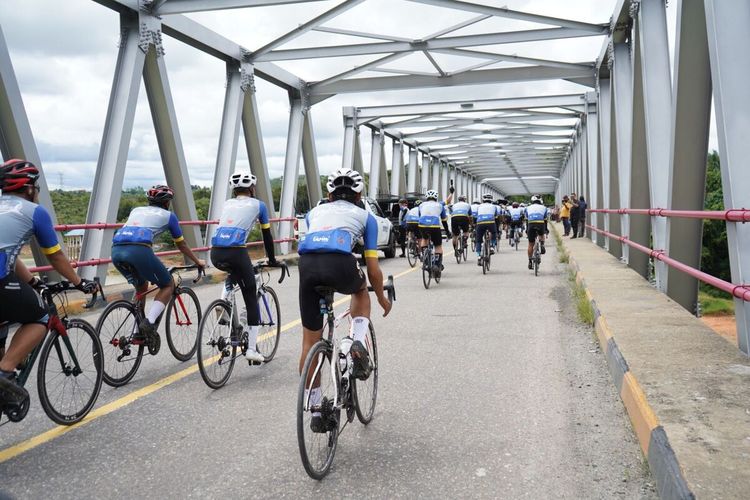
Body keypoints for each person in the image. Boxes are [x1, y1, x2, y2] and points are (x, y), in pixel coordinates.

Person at [297, 167, 391, 433]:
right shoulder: (366, 216)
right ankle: (356, 341)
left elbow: (316, 241)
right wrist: (382, 298)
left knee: (309, 342)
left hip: (307, 267)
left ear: (328, 194)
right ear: (359, 193)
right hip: (340, 263)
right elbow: (373, 268)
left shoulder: (312, 213)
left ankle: (315, 408)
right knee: (360, 290)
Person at [0, 159, 97, 407]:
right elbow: (55, 255)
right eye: (37, 187)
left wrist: (33, 282)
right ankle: (5, 372)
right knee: (40, 319)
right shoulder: (34, 212)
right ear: (30, 189)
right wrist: (79, 283)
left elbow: (8, 257)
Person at [111, 184, 205, 353]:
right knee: (167, 284)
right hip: (138, 250)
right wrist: (197, 261)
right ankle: (148, 322)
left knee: (141, 287)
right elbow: (181, 244)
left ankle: (136, 333)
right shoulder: (169, 216)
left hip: (116, 251)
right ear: (167, 203)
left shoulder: (136, 210)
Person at [210, 172, 278, 363]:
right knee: (250, 295)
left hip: (215, 253)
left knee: (233, 274)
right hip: (236, 252)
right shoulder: (259, 205)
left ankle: (223, 300)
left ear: (234, 190)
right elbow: (267, 235)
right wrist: (272, 259)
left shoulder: (226, 204)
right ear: (251, 189)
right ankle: (251, 350)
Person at [418, 189, 451, 271]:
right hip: (434, 226)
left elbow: (420, 216)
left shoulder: (421, 205)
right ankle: (436, 264)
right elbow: (444, 220)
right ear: (436, 197)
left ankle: (425, 260)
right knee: (438, 245)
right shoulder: (440, 205)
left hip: (422, 225)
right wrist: (447, 231)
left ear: (426, 197)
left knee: (424, 239)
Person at [474, 193, 500, 265]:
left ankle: (479, 256)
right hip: (490, 222)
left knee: (478, 240)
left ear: (483, 199)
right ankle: (492, 246)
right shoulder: (494, 206)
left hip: (480, 223)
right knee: (494, 232)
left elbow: (476, 215)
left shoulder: (479, 206)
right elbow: (496, 216)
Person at [524, 196, 549, 269]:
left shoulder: (527, 208)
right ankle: (542, 244)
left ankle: (530, 261)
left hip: (531, 224)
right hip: (540, 223)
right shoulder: (544, 208)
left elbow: (526, 220)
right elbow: (545, 220)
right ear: (540, 202)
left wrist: (527, 229)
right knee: (541, 235)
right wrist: (546, 229)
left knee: (530, 244)